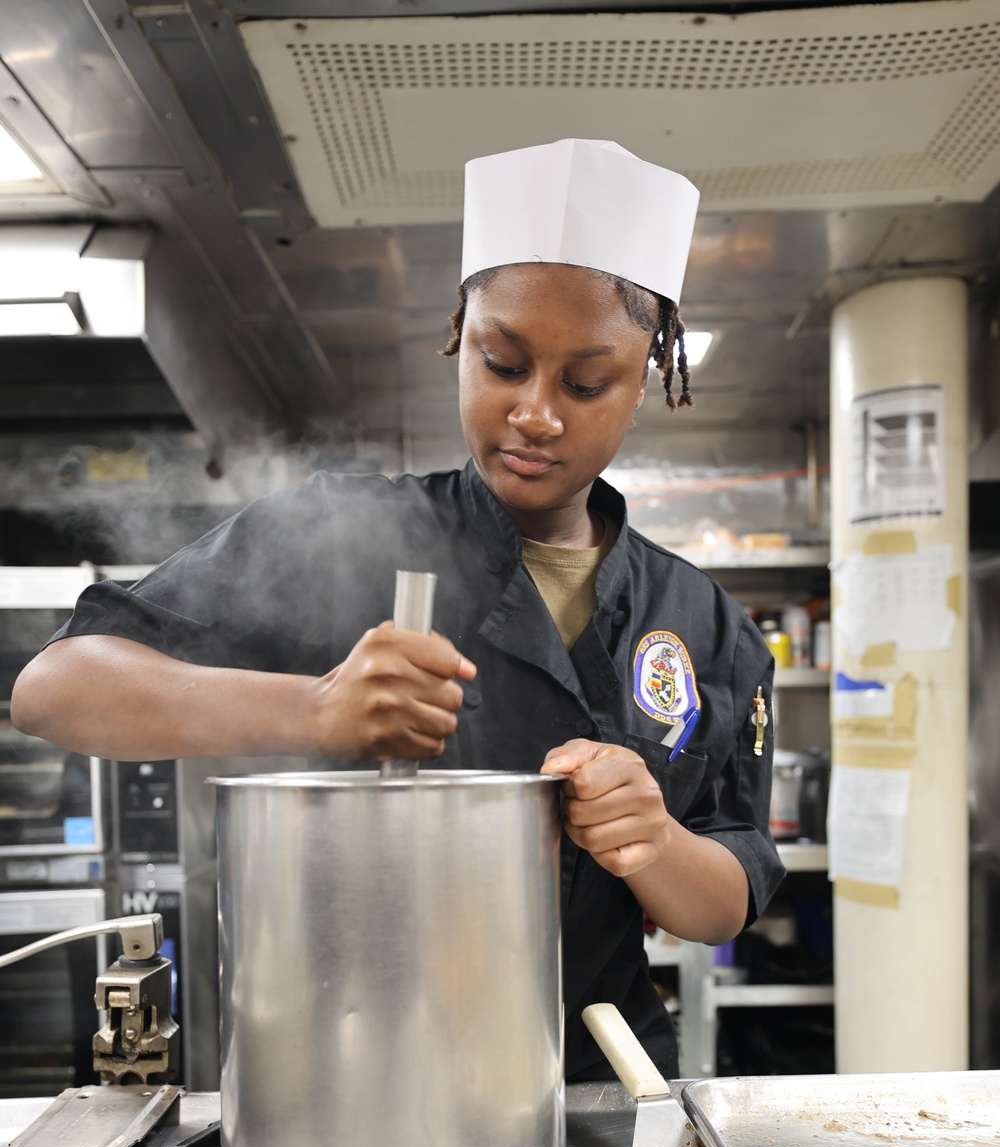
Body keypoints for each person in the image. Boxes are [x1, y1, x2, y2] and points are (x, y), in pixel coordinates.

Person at [11, 139, 783, 1080]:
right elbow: (52, 689)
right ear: (460, 333)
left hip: (596, 1086)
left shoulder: (701, 622)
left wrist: (654, 840)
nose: (536, 413)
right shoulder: (345, 532)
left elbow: (725, 903)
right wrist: (311, 708)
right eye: (504, 363)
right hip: (360, 1083)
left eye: (586, 383)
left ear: (652, 373)